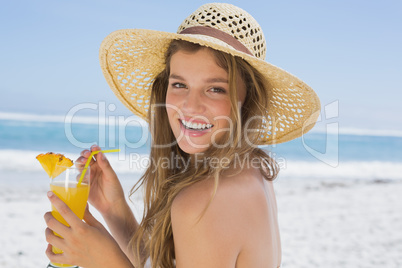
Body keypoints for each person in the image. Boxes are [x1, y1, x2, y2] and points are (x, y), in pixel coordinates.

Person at [44, 3, 320, 268]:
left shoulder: (204, 201)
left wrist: (104, 261)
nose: (190, 105)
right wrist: (114, 210)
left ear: (246, 100)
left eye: (216, 89)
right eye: (179, 84)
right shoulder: (251, 170)